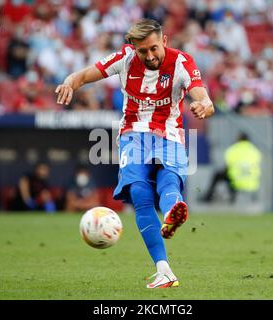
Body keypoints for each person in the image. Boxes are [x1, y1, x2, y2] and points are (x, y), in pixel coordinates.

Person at [55, 19, 215, 288]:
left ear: (164, 41)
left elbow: (204, 97)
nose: (150, 56)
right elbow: (82, 75)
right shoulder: (124, 59)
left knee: (167, 182)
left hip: (169, 134)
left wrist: (204, 106)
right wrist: (70, 83)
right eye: (143, 51)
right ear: (133, 48)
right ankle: (164, 268)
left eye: (154, 48)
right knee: (141, 194)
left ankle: (172, 211)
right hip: (133, 134)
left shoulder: (181, 62)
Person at [200, 133, 262, 203]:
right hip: (252, 184)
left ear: (238, 139)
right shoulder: (255, 151)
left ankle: (209, 197)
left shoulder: (233, 149)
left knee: (218, 175)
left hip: (236, 182)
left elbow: (227, 167)